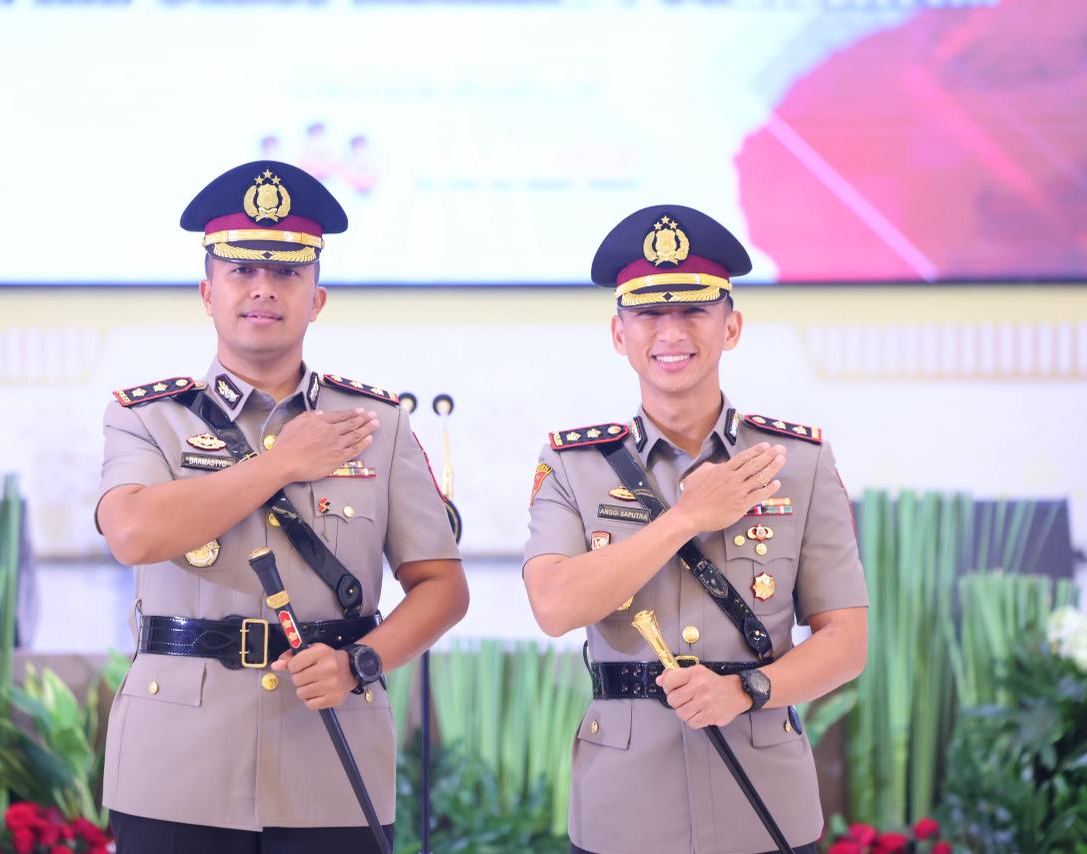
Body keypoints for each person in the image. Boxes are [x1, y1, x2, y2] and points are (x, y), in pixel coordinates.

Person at [95, 160, 469, 854]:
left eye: (287, 273)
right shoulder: (149, 419)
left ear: (316, 298)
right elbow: (133, 533)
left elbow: (442, 587)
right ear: (207, 292)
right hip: (177, 764)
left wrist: (363, 660)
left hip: (331, 759)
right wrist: (280, 464)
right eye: (241, 271)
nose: (263, 288)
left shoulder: (375, 425)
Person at [522, 205, 869, 854]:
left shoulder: (796, 462)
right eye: (649, 312)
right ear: (618, 334)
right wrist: (686, 518)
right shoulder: (572, 465)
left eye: (694, 311)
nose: (671, 332)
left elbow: (846, 641)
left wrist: (747, 689)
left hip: (764, 804)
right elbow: (555, 606)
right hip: (622, 810)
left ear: (731, 326)